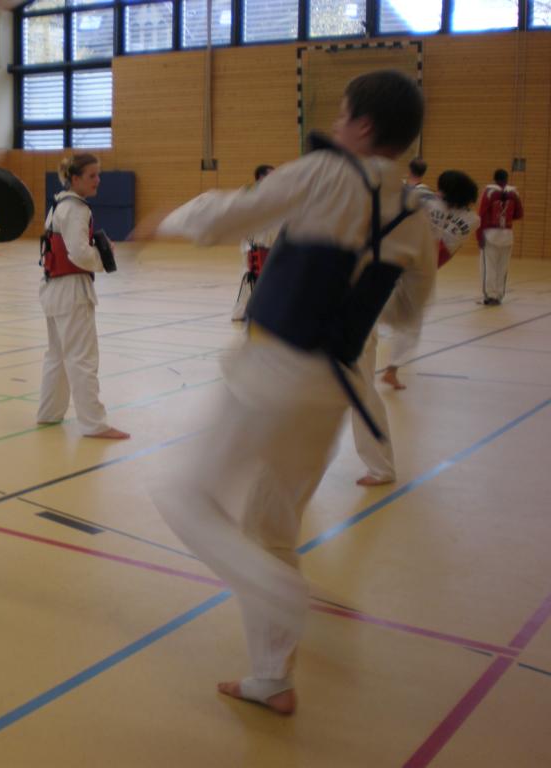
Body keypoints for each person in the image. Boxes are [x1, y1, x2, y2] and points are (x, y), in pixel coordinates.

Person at [150, 70, 435, 714]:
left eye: (342, 113)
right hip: (333, 389)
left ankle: (280, 596)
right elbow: (408, 311)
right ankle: (272, 678)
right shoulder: (414, 213)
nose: (335, 124)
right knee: (271, 526)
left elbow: (228, 214)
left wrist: (166, 220)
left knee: (182, 496)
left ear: (363, 125)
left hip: (271, 373)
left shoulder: (326, 172)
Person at [36, 153, 129, 440]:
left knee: (57, 356)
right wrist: (104, 256)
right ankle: (94, 424)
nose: (98, 180)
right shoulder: (76, 208)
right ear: (75, 179)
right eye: (92, 176)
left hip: (53, 289)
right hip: (72, 291)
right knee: (82, 358)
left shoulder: (58, 204)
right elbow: (78, 252)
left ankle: (49, 412)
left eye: (98, 174)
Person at [379, 169, 479, 390]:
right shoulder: (473, 219)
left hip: (403, 257)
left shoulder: (427, 202)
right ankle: (391, 369)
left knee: (386, 309)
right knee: (410, 322)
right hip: (425, 267)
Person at [232, 165, 276, 322]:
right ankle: (240, 312)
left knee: (267, 279)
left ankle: (261, 311)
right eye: (271, 174)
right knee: (249, 277)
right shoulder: (249, 193)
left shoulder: (274, 195)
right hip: (253, 243)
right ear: (261, 177)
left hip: (269, 243)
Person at [476, 169, 523, 305]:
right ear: (507, 179)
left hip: (490, 233)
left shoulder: (489, 192)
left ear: (494, 179)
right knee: (503, 267)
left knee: (488, 266)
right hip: (507, 234)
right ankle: (499, 295)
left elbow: (481, 214)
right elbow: (519, 214)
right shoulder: (514, 193)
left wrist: (479, 236)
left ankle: (490, 296)